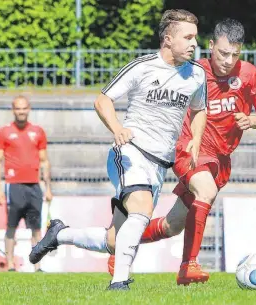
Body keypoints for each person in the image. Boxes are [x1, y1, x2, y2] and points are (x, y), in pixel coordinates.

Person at [29, 9, 207, 290]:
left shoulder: (196, 75)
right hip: (130, 152)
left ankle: (59, 234)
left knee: (115, 240)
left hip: (160, 164)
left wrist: (196, 139)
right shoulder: (142, 66)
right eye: (188, 37)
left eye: (195, 37)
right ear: (168, 39)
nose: (194, 43)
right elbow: (103, 100)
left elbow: (199, 110)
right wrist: (117, 129)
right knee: (142, 208)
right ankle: (119, 283)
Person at [108, 18, 256, 285]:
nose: (228, 60)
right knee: (205, 191)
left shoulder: (249, 75)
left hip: (221, 159)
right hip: (190, 147)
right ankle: (189, 266)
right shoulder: (193, 71)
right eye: (222, 53)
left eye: (235, 54)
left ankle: (121, 243)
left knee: (172, 225)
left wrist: (252, 120)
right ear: (211, 46)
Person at [0, 95, 53, 272]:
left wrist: (48, 188)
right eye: (18, 109)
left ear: (29, 109)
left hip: (34, 186)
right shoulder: (3, 132)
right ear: (13, 110)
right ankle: (11, 265)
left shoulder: (38, 131)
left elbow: (44, 161)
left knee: (35, 227)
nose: (21, 112)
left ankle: (38, 266)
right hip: (14, 186)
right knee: (11, 226)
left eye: (24, 108)